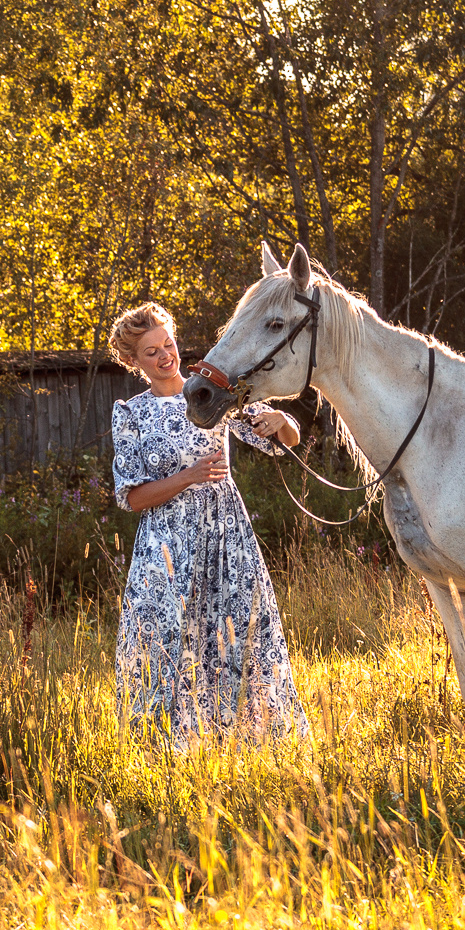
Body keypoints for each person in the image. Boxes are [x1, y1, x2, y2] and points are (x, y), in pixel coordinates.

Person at [109, 302, 309, 746]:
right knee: (165, 639)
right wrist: (188, 477)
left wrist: (285, 420)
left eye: (168, 344)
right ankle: (165, 745)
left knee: (238, 631)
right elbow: (132, 496)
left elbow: (278, 442)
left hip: (226, 538)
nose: (165, 356)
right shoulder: (131, 414)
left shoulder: (211, 393)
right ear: (133, 361)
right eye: (151, 352)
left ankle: (248, 739)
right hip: (165, 546)